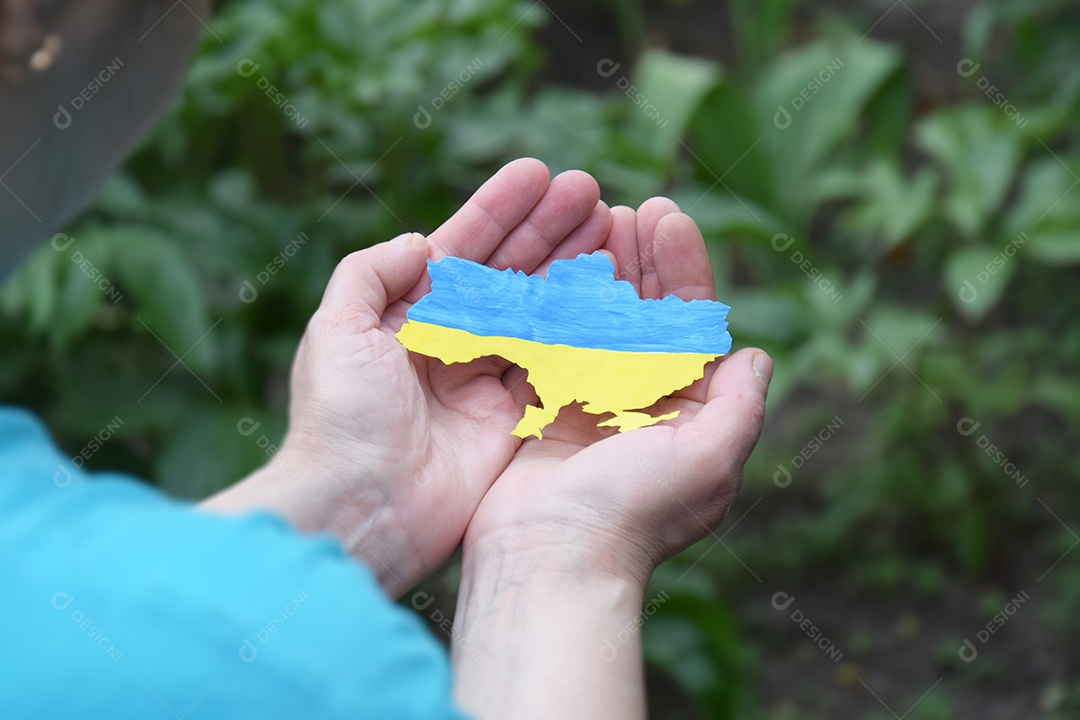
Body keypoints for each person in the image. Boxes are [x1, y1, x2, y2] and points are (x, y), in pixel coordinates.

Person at [1, 3, 772, 718]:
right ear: (21, 27)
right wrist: (567, 557)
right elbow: (187, 638)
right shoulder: (299, 675)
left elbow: (127, 613)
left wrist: (349, 477)